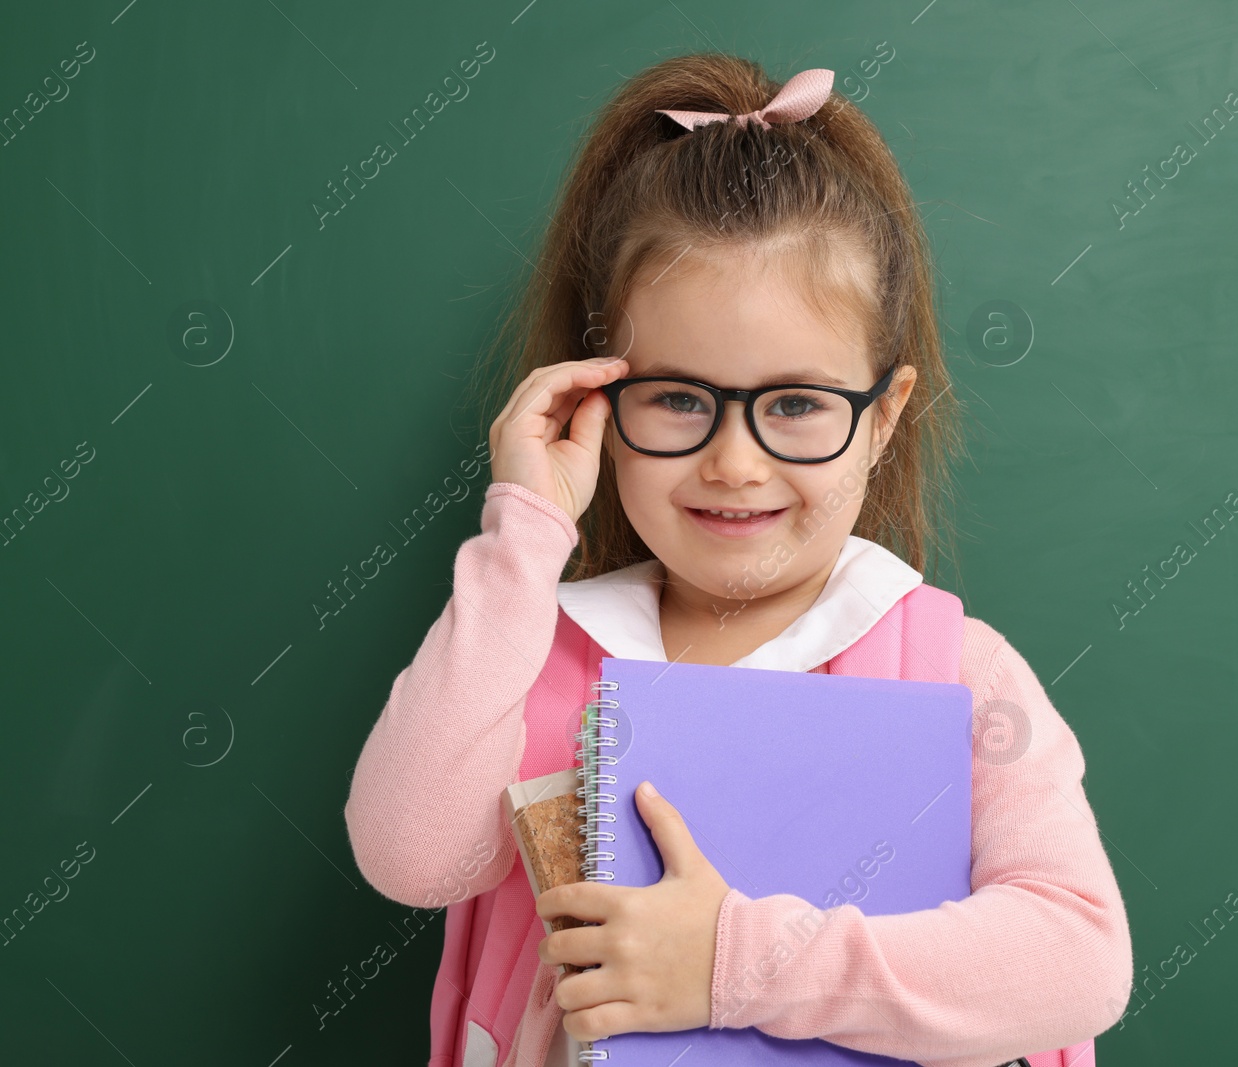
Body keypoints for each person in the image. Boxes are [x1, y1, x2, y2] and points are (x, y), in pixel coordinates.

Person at [344, 54, 1132, 1067]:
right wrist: (521, 532)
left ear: (882, 417)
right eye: (677, 396)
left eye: (797, 403)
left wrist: (735, 960)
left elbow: (1077, 962)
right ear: (599, 406)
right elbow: (410, 855)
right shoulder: (532, 655)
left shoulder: (951, 669)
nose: (733, 460)